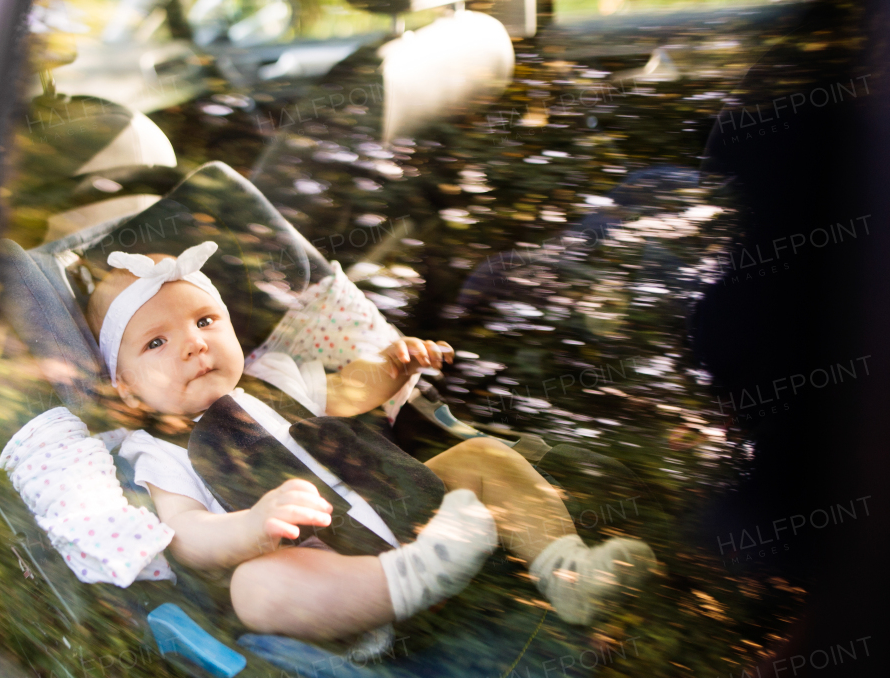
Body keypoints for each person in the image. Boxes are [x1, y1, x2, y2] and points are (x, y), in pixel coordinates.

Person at [87, 242, 656, 642]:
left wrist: (392, 365)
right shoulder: (158, 451)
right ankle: (413, 578)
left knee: (483, 456)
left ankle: (568, 570)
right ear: (128, 388)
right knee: (256, 589)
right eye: (157, 342)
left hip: (417, 502)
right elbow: (186, 535)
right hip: (334, 565)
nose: (193, 344)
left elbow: (350, 392)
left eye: (206, 321)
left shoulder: (277, 376)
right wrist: (252, 525)